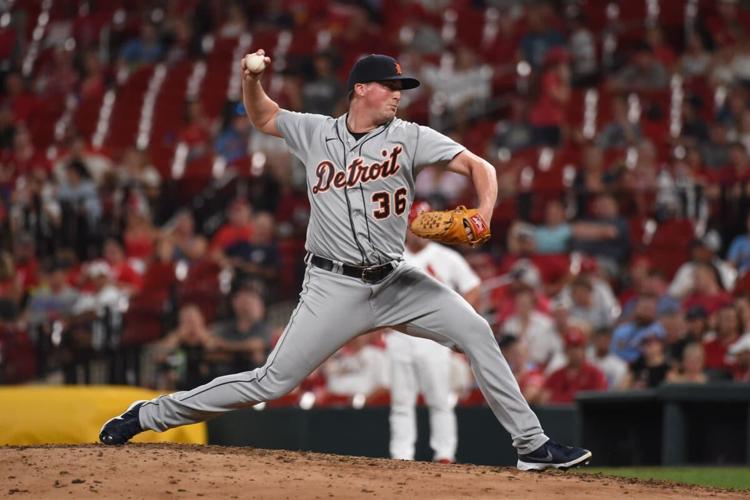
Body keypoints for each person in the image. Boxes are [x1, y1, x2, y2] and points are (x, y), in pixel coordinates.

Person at [100, 51, 591, 471]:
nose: (399, 94)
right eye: (390, 86)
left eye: (402, 87)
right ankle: (150, 415)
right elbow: (264, 116)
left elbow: (478, 165)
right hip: (332, 286)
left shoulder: (410, 136)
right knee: (271, 381)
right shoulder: (315, 133)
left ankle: (532, 446)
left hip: (396, 279)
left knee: (476, 331)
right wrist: (251, 80)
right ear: (361, 89)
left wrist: (483, 212)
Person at [386, 201, 481, 464]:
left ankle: (445, 454)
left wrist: (457, 318)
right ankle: (401, 455)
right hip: (399, 335)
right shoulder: (392, 255)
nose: (418, 231)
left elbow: (473, 286)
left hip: (433, 338)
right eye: (414, 225)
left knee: (439, 398)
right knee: (401, 401)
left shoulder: (445, 257)